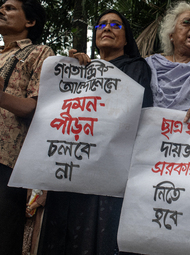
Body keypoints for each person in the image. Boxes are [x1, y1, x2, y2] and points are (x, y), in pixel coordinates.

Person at [37, 9, 153, 255]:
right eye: (101, 25)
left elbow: (140, 114)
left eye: (116, 25)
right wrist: (67, 69)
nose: (108, 28)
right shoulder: (78, 68)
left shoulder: (136, 68)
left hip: (107, 170)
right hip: (70, 167)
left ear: (126, 37)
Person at [0, 0, 54, 254]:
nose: (1, 10)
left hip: (8, 161)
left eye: (10, 8)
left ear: (30, 22)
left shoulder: (40, 53)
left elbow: (35, 108)